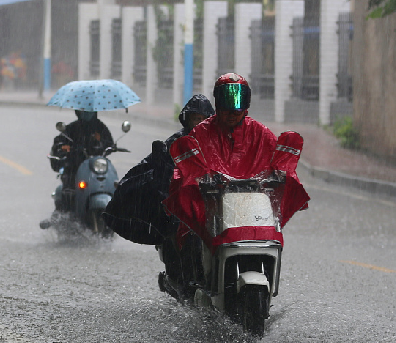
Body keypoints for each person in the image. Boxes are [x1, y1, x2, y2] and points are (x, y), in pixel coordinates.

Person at [163, 73, 310, 262]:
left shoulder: (260, 133)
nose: (232, 111)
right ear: (217, 102)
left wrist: (279, 176)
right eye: (226, 102)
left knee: (269, 237)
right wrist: (201, 180)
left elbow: (278, 163)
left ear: (247, 102)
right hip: (212, 210)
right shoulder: (201, 133)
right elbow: (186, 169)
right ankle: (194, 282)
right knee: (192, 239)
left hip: (251, 209)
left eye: (238, 102)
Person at [103, 94, 215, 246]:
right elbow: (150, 165)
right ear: (188, 120)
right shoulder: (175, 141)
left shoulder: (217, 142)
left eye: (204, 118)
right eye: (196, 118)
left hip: (213, 198)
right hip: (185, 200)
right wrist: (127, 183)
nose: (200, 123)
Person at [49, 109, 115, 208]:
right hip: (76, 164)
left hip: (95, 164)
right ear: (78, 112)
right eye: (83, 110)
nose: (87, 113)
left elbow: (109, 142)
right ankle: (64, 214)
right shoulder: (73, 127)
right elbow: (59, 142)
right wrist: (64, 147)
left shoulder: (100, 127)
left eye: (90, 110)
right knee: (70, 186)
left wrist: (101, 142)